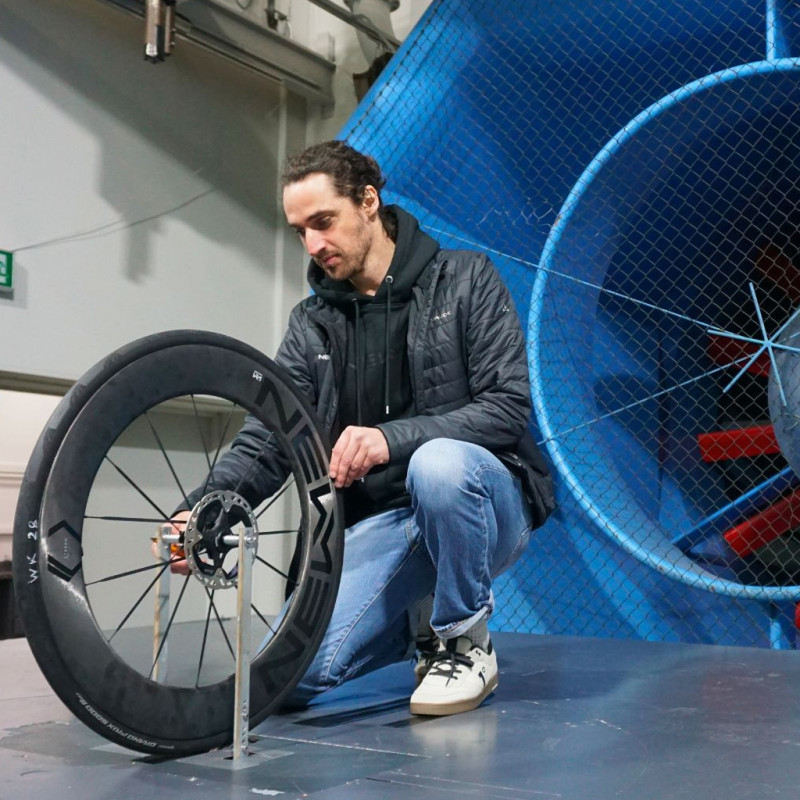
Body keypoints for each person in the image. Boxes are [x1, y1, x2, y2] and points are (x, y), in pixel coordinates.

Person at [178, 140, 554, 715]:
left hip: (478, 501)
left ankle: (465, 643)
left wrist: (387, 439)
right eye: (300, 231)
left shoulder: (465, 278)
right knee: (283, 680)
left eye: (323, 222)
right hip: (383, 525)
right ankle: (418, 620)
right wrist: (206, 509)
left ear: (369, 202)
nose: (313, 245)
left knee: (438, 465)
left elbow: (506, 407)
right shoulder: (311, 324)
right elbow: (270, 438)